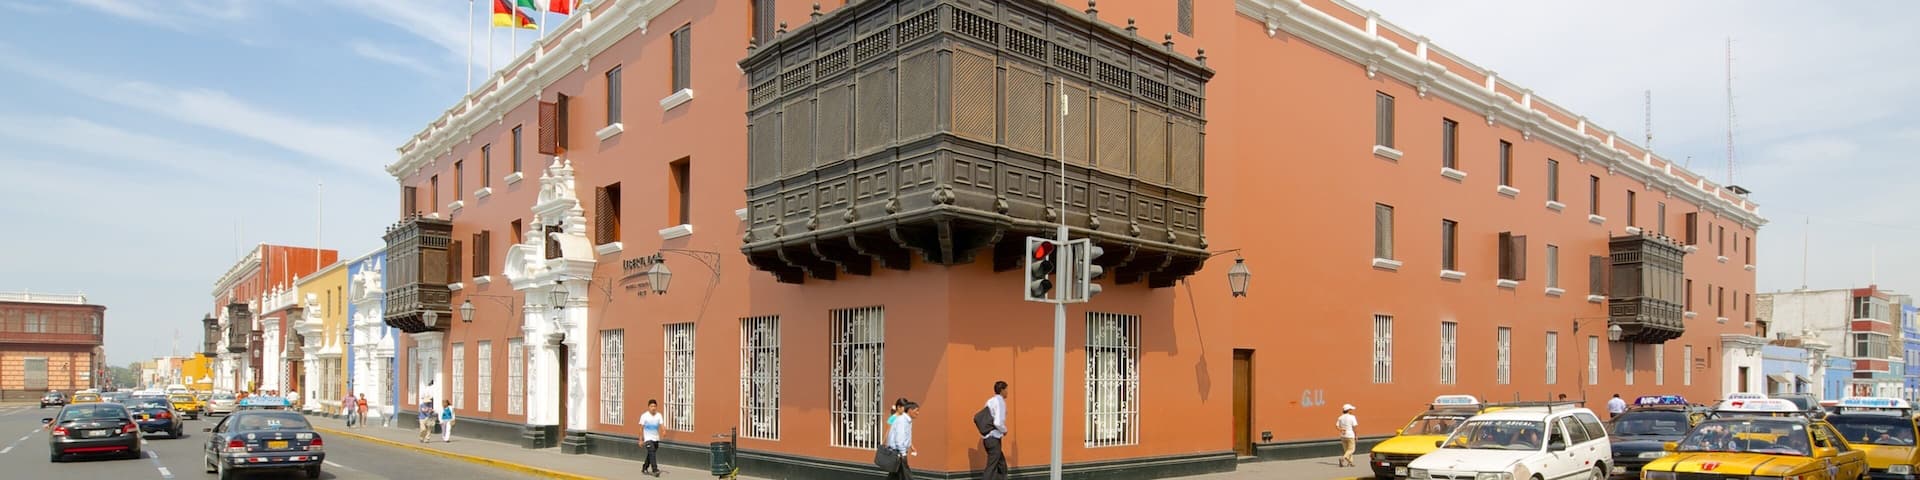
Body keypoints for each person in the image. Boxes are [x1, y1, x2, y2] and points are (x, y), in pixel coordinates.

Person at [886, 401, 920, 480]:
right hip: (898, 453)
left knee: (894, 475)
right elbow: (899, 438)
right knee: (907, 475)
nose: (918, 413)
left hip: (899, 452)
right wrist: (903, 453)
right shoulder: (902, 421)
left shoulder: (907, 420)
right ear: (910, 410)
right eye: (916, 410)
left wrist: (911, 445)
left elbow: (906, 435)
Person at [982, 381, 1008, 480]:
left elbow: (986, 418)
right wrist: (1004, 430)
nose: (1007, 392)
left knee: (1002, 465)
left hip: (987, 439)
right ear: (1002, 390)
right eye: (1006, 390)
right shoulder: (1000, 401)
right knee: (991, 467)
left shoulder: (990, 401)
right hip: (994, 439)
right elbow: (998, 422)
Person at [638, 399, 664, 477]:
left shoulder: (659, 415)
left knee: (651, 454)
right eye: (651, 406)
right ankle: (655, 469)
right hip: (648, 438)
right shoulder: (644, 416)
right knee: (652, 451)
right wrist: (640, 440)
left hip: (656, 438)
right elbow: (641, 428)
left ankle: (644, 468)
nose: (653, 408)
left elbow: (662, 425)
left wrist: (664, 431)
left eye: (655, 406)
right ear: (648, 407)